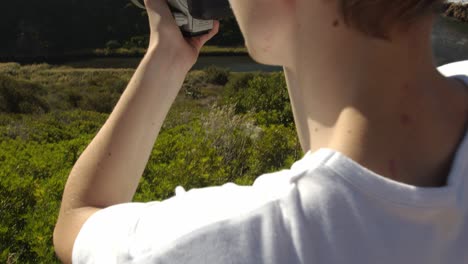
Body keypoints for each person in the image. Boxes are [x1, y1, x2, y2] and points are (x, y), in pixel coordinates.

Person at [53, 0, 468, 262]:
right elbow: (336, 169)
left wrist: (165, 56)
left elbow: (78, 220)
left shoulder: (226, 241)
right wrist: (293, 35)